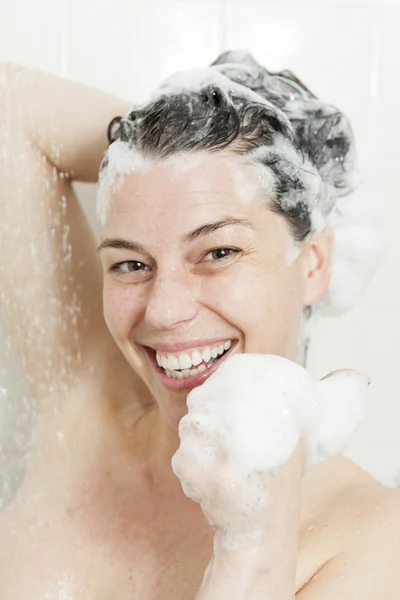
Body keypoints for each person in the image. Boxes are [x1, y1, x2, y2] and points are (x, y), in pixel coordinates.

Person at [0, 50, 398, 599]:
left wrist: (252, 540)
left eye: (217, 252)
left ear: (314, 264)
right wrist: (173, 161)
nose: (163, 311)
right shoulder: (87, 407)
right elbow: (8, 108)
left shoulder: (376, 538)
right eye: (131, 264)